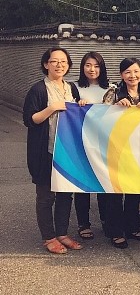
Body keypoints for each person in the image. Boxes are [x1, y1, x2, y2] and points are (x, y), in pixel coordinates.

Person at [23, 48, 82, 254]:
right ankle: (48, 237)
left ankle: (62, 233)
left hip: (67, 151)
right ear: (46, 64)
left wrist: (80, 104)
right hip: (45, 150)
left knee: (66, 194)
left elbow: (77, 116)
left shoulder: (71, 88)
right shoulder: (39, 89)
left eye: (63, 61)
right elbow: (30, 119)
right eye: (54, 61)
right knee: (46, 196)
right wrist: (52, 107)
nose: (59, 65)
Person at [102, 58, 140, 248]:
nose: (132, 76)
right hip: (117, 148)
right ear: (122, 75)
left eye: (136, 71)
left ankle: (132, 228)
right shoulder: (114, 92)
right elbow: (98, 117)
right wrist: (115, 107)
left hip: (139, 149)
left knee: (133, 190)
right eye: (128, 72)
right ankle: (115, 231)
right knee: (115, 192)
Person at [74, 51, 110, 240]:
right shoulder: (74, 88)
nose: (92, 69)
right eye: (88, 65)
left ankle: (106, 220)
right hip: (81, 142)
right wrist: (77, 105)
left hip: (103, 144)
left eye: (96, 66)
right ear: (82, 67)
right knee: (82, 185)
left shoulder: (110, 89)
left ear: (102, 68)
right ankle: (83, 223)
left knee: (103, 183)